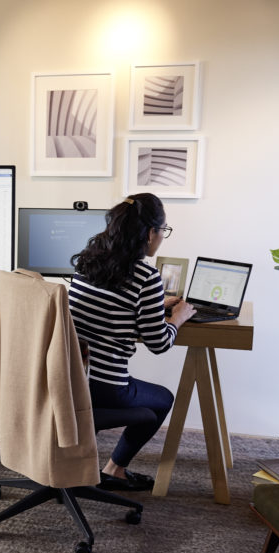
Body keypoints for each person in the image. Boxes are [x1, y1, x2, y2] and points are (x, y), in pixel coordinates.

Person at [68, 193, 195, 491]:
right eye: (163, 230)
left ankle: (98, 466)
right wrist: (178, 317)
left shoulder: (87, 262)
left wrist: (153, 303)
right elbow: (159, 343)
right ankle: (115, 469)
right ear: (150, 232)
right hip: (106, 388)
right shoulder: (146, 277)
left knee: (151, 400)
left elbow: (111, 303)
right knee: (162, 399)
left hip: (69, 379)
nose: (162, 237)